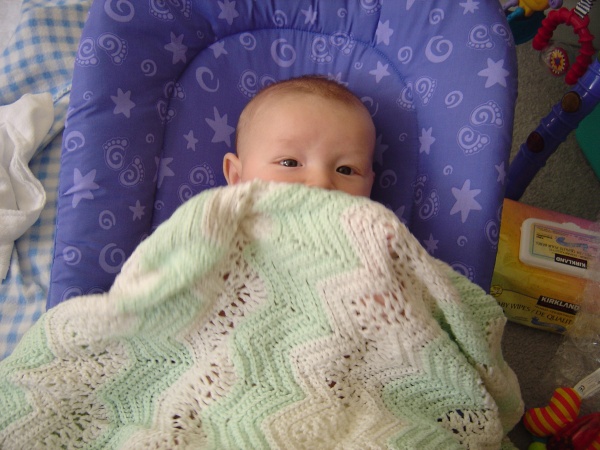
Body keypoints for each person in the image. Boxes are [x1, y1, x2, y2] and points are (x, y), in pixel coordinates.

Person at [222, 75, 376, 197]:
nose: (320, 183)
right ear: (237, 177)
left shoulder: (372, 227)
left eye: (346, 170)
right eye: (289, 163)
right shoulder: (221, 224)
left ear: (370, 185)